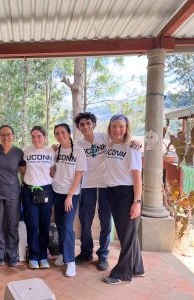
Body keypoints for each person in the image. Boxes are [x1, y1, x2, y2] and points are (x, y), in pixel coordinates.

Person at [103, 114, 144, 284]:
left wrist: (137, 201)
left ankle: (122, 274)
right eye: (114, 126)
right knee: (128, 233)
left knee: (125, 235)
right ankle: (137, 267)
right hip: (111, 192)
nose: (117, 129)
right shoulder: (108, 143)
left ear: (126, 128)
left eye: (121, 126)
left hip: (126, 194)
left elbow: (137, 176)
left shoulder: (132, 148)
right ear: (109, 128)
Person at [74, 112, 112, 271]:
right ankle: (86, 252)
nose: (85, 126)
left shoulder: (105, 138)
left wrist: (134, 143)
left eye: (88, 123)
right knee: (85, 220)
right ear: (79, 127)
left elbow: (122, 142)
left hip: (106, 184)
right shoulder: (78, 145)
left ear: (94, 124)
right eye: (82, 124)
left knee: (105, 222)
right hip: (87, 185)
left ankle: (103, 255)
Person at [52, 123, 87, 277]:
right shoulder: (56, 151)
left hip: (71, 194)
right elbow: (53, 171)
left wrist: (70, 196)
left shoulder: (79, 151)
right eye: (57, 133)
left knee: (67, 226)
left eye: (63, 132)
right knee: (59, 225)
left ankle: (70, 261)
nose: (60, 136)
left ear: (69, 133)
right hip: (56, 192)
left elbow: (79, 175)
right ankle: (62, 254)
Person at [0, 125, 24, 267]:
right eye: (3, 135)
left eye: (8, 134)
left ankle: (12, 254)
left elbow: (24, 170)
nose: (6, 137)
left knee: (12, 225)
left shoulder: (18, 152)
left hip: (13, 194)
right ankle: (0, 254)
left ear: (13, 136)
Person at [21, 126, 54, 269]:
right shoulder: (26, 151)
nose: (36, 139)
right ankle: (34, 256)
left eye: (39, 136)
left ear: (44, 137)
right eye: (33, 136)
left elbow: (53, 170)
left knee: (45, 225)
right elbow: (22, 168)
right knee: (33, 225)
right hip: (29, 191)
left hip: (46, 190)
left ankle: (43, 256)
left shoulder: (52, 151)